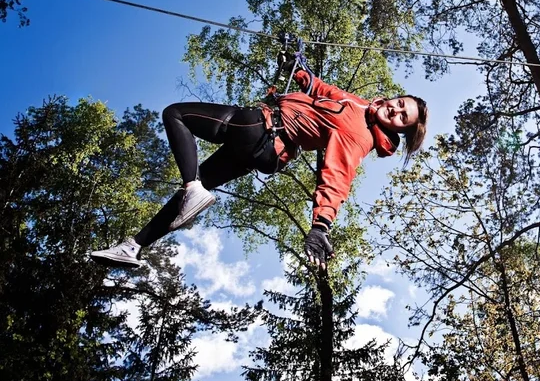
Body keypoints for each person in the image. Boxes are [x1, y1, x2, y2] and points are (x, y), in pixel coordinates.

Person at [91, 68, 428, 271]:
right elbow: (323, 90)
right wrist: (300, 72)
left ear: (399, 131)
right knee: (194, 188)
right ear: (394, 97)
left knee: (175, 113)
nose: (395, 111)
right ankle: (134, 246)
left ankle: (192, 188)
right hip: (265, 148)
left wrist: (321, 224)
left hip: (261, 128)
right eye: (400, 104)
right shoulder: (358, 105)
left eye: (402, 118)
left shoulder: (359, 136)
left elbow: (337, 175)